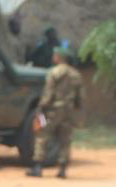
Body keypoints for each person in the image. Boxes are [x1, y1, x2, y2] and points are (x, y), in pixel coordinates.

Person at [27, 46, 83, 179]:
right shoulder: (76, 74)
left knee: (42, 135)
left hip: (53, 110)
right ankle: (62, 169)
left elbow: (48, 93)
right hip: (68, 111)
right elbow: (80, 98)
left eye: (55, 55)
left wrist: (41, 107)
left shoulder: (53, 73)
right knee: (65, 139)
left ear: (59, 57)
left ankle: (38, 167)